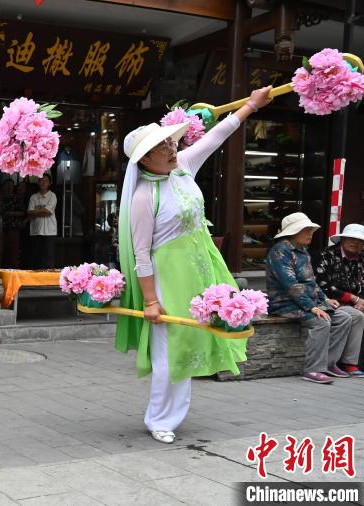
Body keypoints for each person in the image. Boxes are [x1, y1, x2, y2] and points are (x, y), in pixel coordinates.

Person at [116, 86, 273, 445]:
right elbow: (142, 254)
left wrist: (251, 105)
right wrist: (151, 300)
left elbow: (217, 136)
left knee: (187, 346)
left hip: (201, 269)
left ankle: (174, 416)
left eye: (170, 142)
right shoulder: (143, 196)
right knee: (168, 352)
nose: (171, 149)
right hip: (167, 278)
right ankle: (158, 419)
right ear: (144, 160)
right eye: (162, 147)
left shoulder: (183, 168)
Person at [266, 212, 353, 384]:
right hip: (285, 303)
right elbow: (291, 286)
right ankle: (313, 370)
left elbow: (311, 281)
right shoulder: (280, 252)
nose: (310, 233)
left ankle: (329, 364)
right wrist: (312, 307)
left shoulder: (303, 251)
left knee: (344, 318)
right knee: (321, 322)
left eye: (311, 230)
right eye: (306, 230)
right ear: (294, 232)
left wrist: (325, 299)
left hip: (305, 301)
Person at [314, 223, 364, 377]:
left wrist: (363, 300)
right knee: (357, 316)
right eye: (351, 239)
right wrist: (353, 298)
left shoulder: (362, 258)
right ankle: (349, 363)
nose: (355, 243)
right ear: (342, 239)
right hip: (333, 300)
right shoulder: (326, 255)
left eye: (359, 241)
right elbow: (323, 284)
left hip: (358, 301)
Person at [27, 173, 57, 269]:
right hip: (35, 231)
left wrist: (36, 211)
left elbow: (48, 212)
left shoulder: (52, 196)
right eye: (41, 180)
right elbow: (29, 213)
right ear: (38, 182)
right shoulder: (33, 197)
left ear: (50, 183)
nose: (43, 183)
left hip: (49, 232)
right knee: (36, 258)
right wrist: (42, 211)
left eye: (46, 181)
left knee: (48, 259)